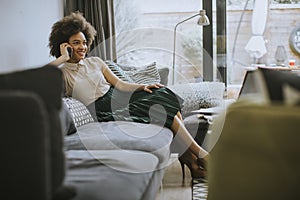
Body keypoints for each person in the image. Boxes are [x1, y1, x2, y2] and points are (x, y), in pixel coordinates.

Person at [48, 12, 208, 179]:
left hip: (118, 96)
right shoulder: (62, 73)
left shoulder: (95, 62)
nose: (82, 47)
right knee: (163, 112)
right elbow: (40, 76)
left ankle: (191, 160)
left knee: (161, 94)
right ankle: (197, 156)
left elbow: (120, 84)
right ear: (64, 45)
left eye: (84, 42)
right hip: (100, 110)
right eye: (76, 43)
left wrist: (143, 86)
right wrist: (63, 58)